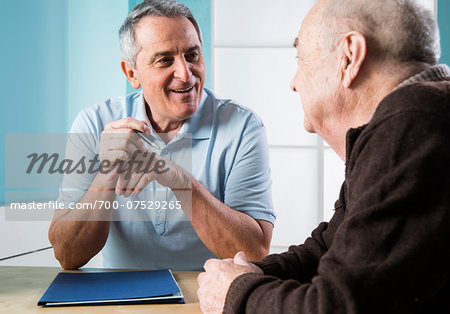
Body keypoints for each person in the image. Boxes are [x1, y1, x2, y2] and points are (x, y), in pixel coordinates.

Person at [197, 0, 450, 312]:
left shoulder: (411, 126)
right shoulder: (410, 122)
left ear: (349, 57)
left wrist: (237, 293)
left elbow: (338, 306)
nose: (293, 83)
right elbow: (327, 247)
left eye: (300, 59)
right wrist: (250, 274)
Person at [48, 0, 275, 271]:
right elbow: (67, 254)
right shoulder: (93, 124)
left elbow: (254, 252)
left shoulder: (243, 127)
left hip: (209, 297)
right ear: (132, 73)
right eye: (165, 60)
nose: (186, 74)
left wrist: (177, 179)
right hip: (121, 301)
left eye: (192, 56)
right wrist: (107, 171)